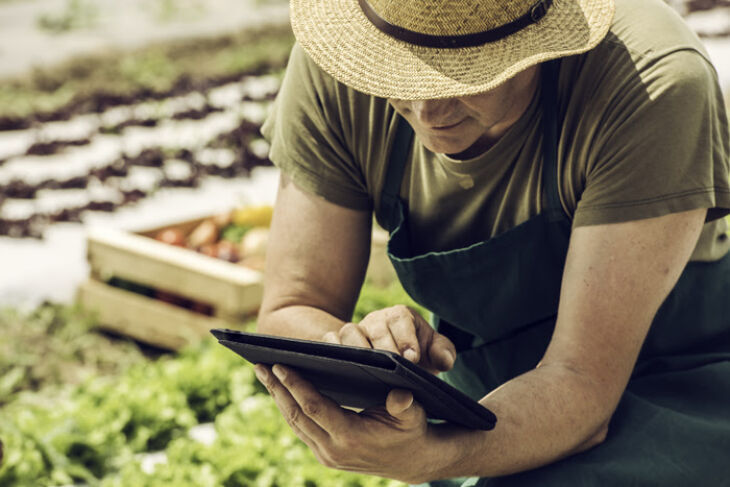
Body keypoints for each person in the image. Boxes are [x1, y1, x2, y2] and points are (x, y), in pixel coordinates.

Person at [253, 0, 730, 484]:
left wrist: (434, 456)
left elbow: (582, 384)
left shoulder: (651, 82)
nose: (426, 110)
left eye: (462, 75)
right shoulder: (346, 58)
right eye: (400, 71)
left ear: (541, 39)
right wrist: (356, 352)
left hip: (679, 381)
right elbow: (293, 304)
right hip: (486, 403)